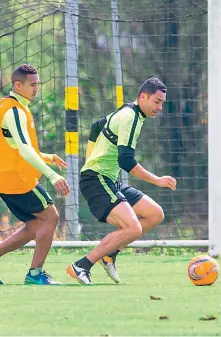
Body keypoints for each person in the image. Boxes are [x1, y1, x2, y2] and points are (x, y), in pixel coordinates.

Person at [66, 77, 177, 285]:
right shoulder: (130, 118)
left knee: (154, 214)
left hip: (108, 179)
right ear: (143, 97)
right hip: (96, 180)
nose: (160, 107)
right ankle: (82, 265)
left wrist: (90, 157)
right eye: (156, 102)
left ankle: (110, 254)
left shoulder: (129, 111)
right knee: (133, 228)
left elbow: (97, 125)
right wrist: (157, 180)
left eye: (162, 102)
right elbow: (126, 161)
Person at [0, 64, 70, 285]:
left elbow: (16, 146)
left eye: (38, 84)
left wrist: (46, 157)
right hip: (17, 179)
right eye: (32, 85)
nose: (36, 89)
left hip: (8, 178)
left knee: (35, 226)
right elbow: (25, 149)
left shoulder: (17, 107)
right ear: (18, 85)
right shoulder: (14, 111)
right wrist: (53, 176)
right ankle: (35, 274)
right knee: (51, 217)